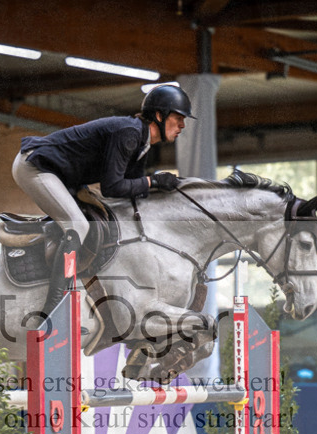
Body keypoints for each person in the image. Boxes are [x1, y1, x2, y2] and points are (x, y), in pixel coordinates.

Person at [11, 83, 194, 313]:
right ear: (159, 115)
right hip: (36, 166)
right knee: (77, 224)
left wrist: (161, 190)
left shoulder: (142, 143)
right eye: (178, 118)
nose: (182, 125)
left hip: (61, 175)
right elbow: (113, 186)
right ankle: (54, 309)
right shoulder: (129, 133)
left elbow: (132, 193)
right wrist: (153, 181)